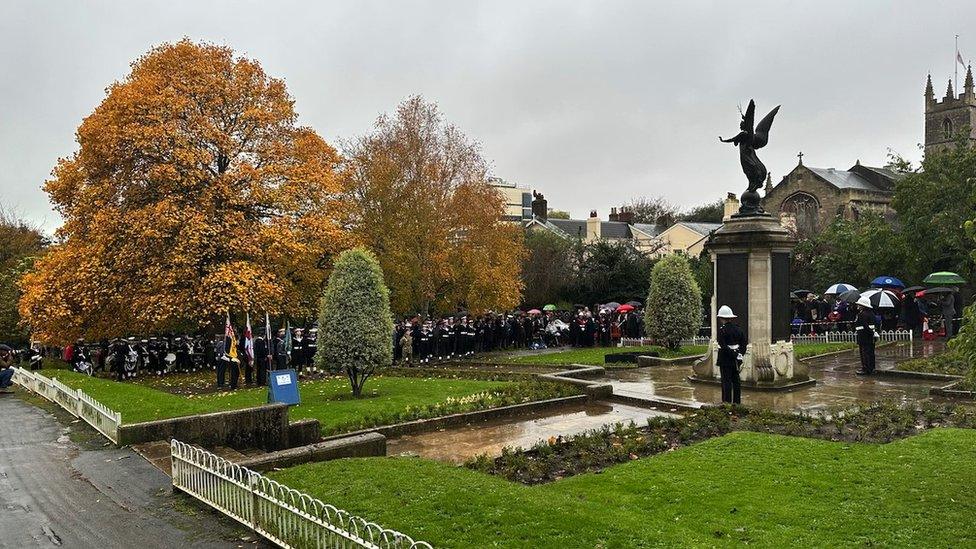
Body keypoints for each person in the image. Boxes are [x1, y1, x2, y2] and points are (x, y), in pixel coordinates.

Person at [716, 306, 745, 404]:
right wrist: (739, 354)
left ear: (721, 318)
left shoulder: (722, 330)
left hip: (725, 359)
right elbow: (743, 344)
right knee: (736, 381)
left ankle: (726, 402)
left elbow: (722, 345)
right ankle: (737, 402)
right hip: (737, 358)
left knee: (726, 381)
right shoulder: (738, 329)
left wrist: (732, 354)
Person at [854, 296, 877, 375]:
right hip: (871, 337)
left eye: (860, 305)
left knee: (864, 353)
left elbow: (864, 326)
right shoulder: (871, 313)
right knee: (871, 353)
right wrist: (874, 333)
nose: (858, 306)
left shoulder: (862, 315)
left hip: (863, 337)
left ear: (863, 305)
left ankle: (865, 369)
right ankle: (872, 368)